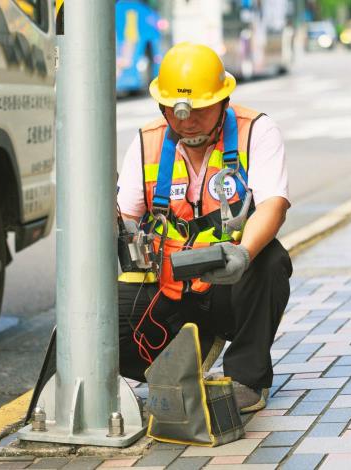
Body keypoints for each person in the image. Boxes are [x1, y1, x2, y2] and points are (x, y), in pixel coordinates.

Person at [116, 42, 292, 413]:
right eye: (177, 110)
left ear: (224, 101)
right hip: (170, 290)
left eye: (198, 109)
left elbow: (273, 205)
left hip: (229, 285)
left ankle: (247, 379)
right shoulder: (147, 141)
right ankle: (184, 359)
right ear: (163, 106)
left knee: (270, 261)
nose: (187, 120)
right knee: (107, 317)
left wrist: (243, 254)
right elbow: (123, 217)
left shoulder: (255, 131)